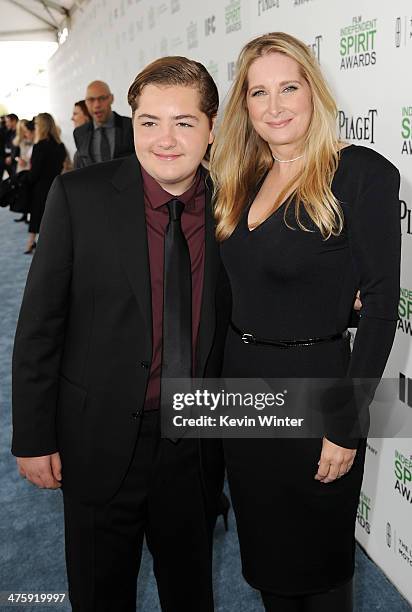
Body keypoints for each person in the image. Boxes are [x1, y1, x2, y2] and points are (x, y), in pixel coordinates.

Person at [12, 57, 230, 612]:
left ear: (212, 128)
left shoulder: (236, 210)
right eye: (149, 121)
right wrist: (35, 437)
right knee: (99, 595)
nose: (164, 140)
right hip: (97, 442)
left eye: (183, 123)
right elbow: (40, 326)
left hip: (193, 446)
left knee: (190, 593)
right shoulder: (79, 198)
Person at [210, 32, 401, 612]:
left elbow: (383, 304)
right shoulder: (242, 178)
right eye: (258, 92)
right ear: (243, 107)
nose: (275, 106)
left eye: (288, 87)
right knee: (267, 561)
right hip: (241, 390)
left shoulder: (360, 172)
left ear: (313, 91)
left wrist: (345, 424)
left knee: (318, 569)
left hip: (315, 393)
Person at [24, 113, 66, 254]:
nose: (34, 126)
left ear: (41, 126)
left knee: (37, 215)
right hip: (55, 186)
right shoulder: (60, 146)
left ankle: (31, 243)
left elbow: (34, 173)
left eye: (36, 124)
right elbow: (60, 168)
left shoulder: (40, 146)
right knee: (52, 217)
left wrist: (27, 179)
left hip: (40, 188)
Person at [73, 80, 134, 168]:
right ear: (86, 102)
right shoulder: (79, 133)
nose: (97, 105)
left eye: (102, 98)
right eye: (91, 100)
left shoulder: (130, 126)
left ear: (111, 98)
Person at [11, 119, 35, 223]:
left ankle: (30, 215)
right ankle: (24, 213)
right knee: (22, 191)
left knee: (30, 191)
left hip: (30, 166)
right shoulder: (18, 140)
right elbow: (14, 154)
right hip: (21, 167)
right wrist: (18, 159)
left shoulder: (34, 138)